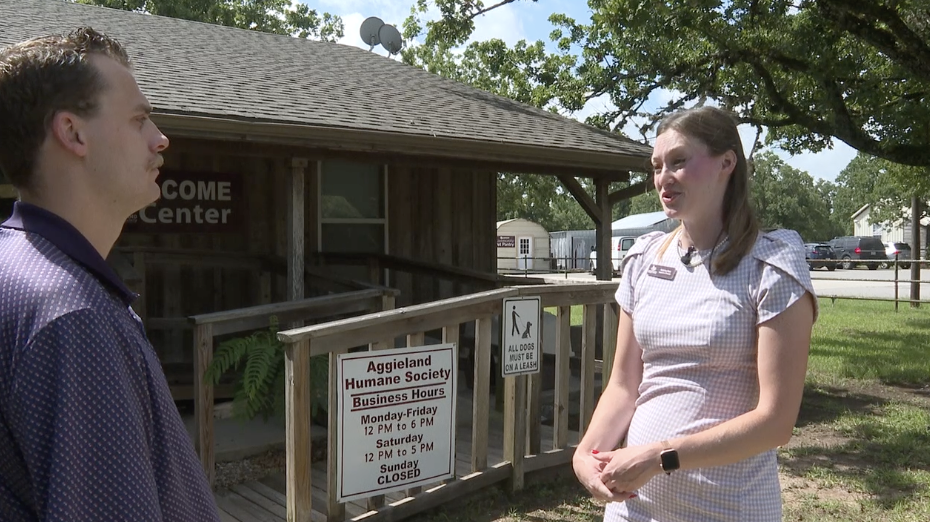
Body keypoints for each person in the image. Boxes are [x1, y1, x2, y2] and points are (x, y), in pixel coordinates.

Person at [0, 28, 221, 521]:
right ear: (73, 133)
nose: (160, 137)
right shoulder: (73, 318)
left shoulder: (15, 272)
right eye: (139, 119)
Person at [573, 106, 817, 522]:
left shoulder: (771, 263)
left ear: (727, 162)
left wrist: (659, 456)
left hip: (727, 508)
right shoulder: (645, 258)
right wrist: (586, 454)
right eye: (656, 166)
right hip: (635, 508)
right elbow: (623, 384)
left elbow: (776, 422)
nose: (663, 178)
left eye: (679, 161)